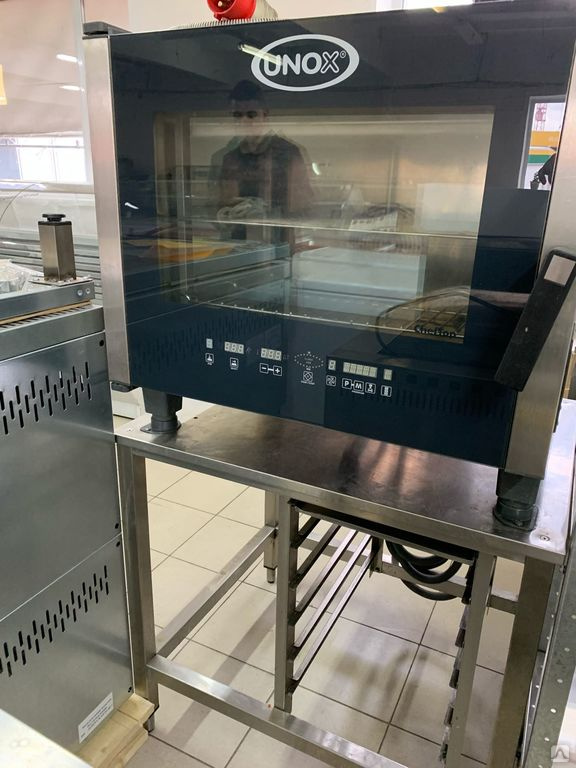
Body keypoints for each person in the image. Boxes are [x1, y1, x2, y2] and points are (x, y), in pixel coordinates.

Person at [216, 80, 313, 241]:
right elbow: (220, 203)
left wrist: (269, 213)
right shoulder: (230, 158)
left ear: (265, 115)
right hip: (239, 243)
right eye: (237, 115)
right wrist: (225, 214)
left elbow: (304, 205)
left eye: (251, 114)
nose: (244, 121)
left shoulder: (288, 153)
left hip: (278, 241)